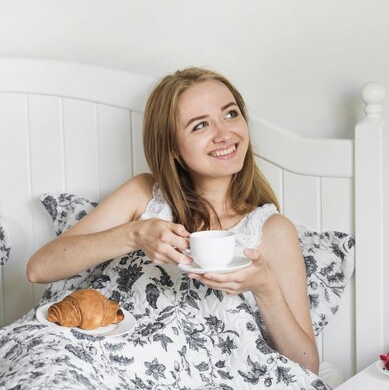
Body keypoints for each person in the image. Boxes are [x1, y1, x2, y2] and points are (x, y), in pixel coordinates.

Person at [26, 67, 319, 375]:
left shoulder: (272, 231)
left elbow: (306, 368)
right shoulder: (144, 195)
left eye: (230, 114)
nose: (224, 134)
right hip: (92, 360)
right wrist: (133, 235)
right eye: (200, 125)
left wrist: (266, 288)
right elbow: (39, 268)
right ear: (172, 148)